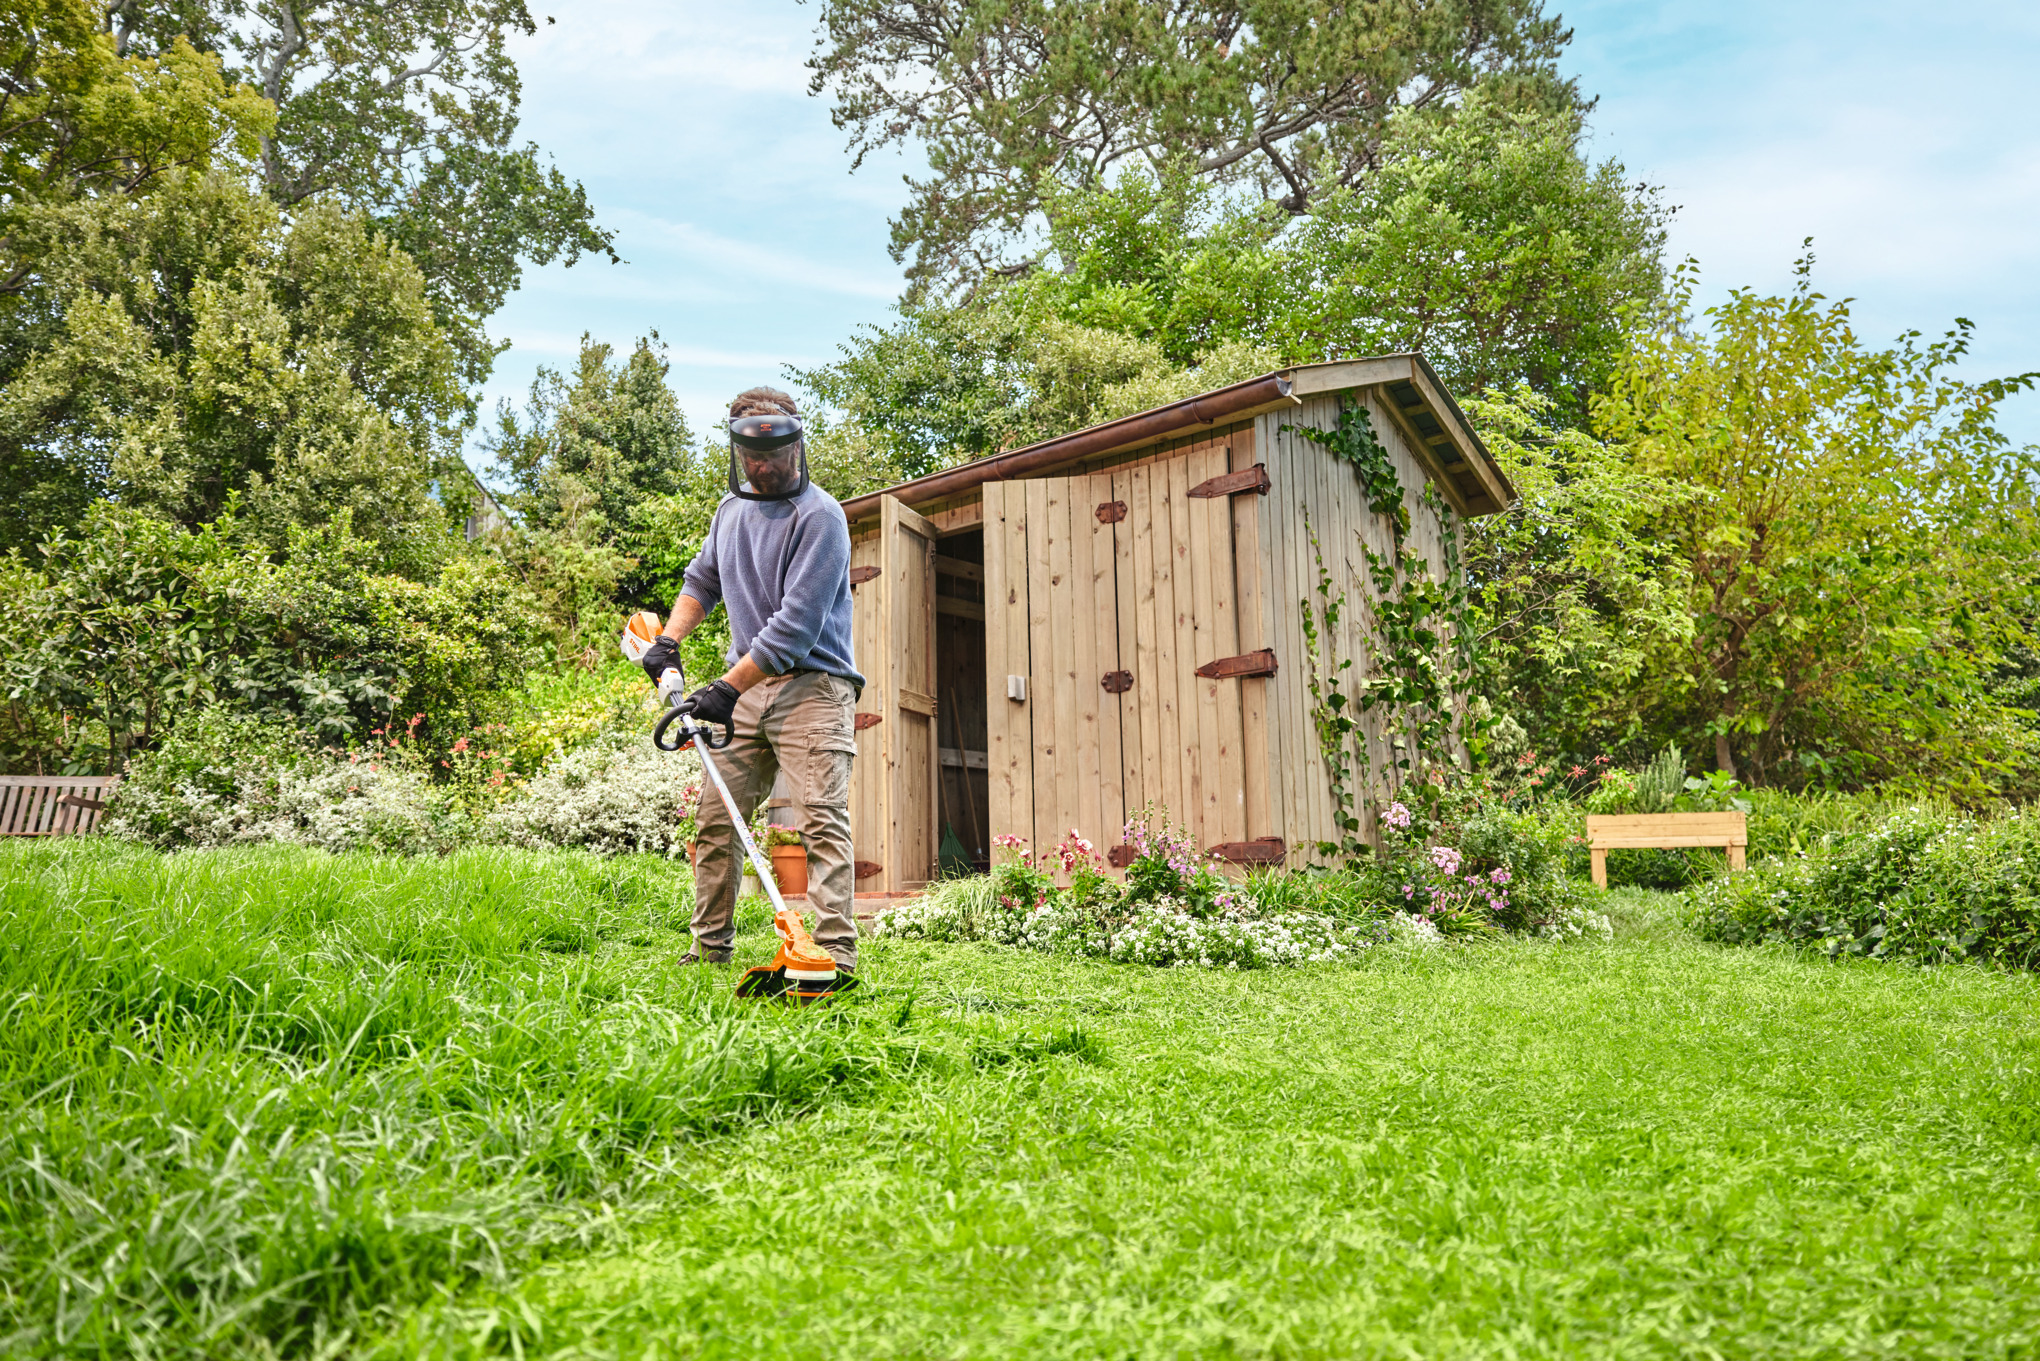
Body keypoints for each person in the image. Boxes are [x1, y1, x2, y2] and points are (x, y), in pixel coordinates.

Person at [639, 386, 864, 971]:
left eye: (776, 452)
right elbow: (702, 581)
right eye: (751, 455)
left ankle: (834, 956)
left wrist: (722, 689)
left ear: (797, 444)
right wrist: (669, 640)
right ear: (737, 449)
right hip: (745, 688)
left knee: (820, 821)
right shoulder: (729, 509)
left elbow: (793, 629)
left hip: (813, 686)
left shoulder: (821, 517)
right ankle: (709, 950)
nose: (763, 466)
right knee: (717, 820)